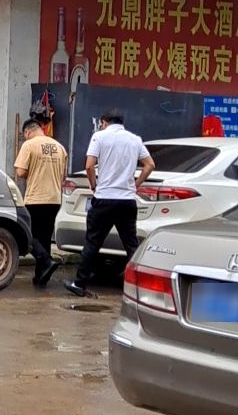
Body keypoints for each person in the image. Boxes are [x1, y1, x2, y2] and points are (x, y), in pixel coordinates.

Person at [64, 110, 154, 297]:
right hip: (127, 201)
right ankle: (140, 287)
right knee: (131, 245)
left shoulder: (99, 137)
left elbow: (89, 165)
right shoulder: (135, 139)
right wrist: (135, 185)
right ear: (122, 122)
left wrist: (94, 185)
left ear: (104, 122)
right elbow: (150, 165)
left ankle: (79, 283)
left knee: (93, 242)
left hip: (104, 198)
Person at [14, 117, 68, 288]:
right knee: (44, 238)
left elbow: (21, 172)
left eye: (24, 135)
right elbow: (63, 177)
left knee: (29, 236)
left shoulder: (29, 145)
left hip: (35, 198)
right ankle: (41, 276)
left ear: (27, 131)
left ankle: (46, 260)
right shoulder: (60, 148)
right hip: (54, 199)